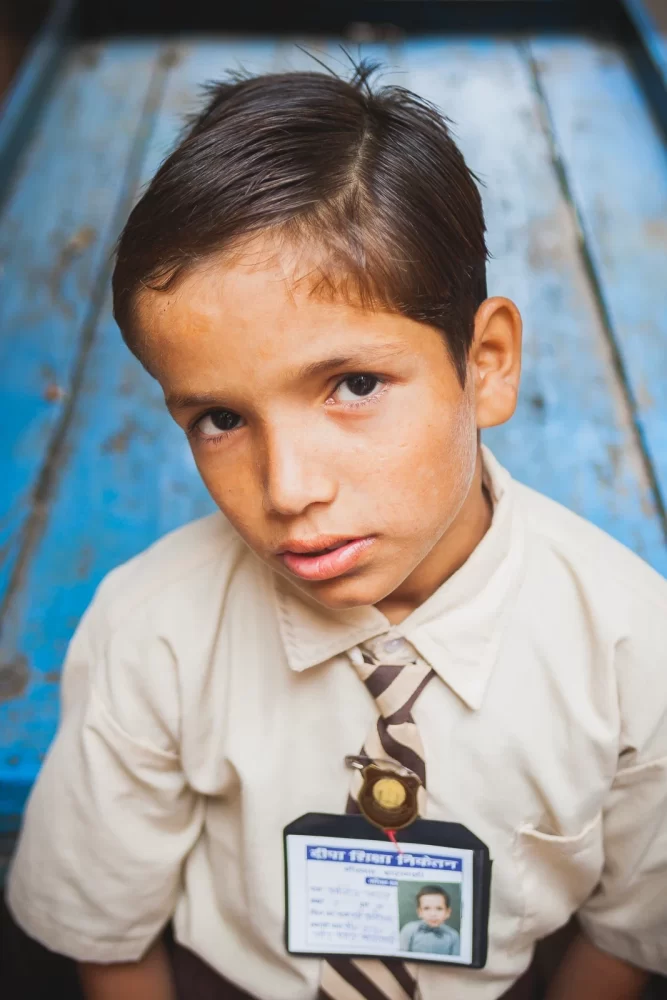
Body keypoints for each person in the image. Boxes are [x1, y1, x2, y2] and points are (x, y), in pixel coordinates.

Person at [6, 61, 667, 1000]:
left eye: (353, 386)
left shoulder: (633, 646)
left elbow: (631, 932)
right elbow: (108, 933)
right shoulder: (153, 629)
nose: (288, 488)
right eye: (220, 419)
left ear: (485, 366)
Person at [399, 885, 461, 956]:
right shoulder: (409, 930)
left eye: (439, 908)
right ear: (419, 912)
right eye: (426, 908)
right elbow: (401, 958)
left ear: (447, 913)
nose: (433, 914)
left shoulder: (453, 936)